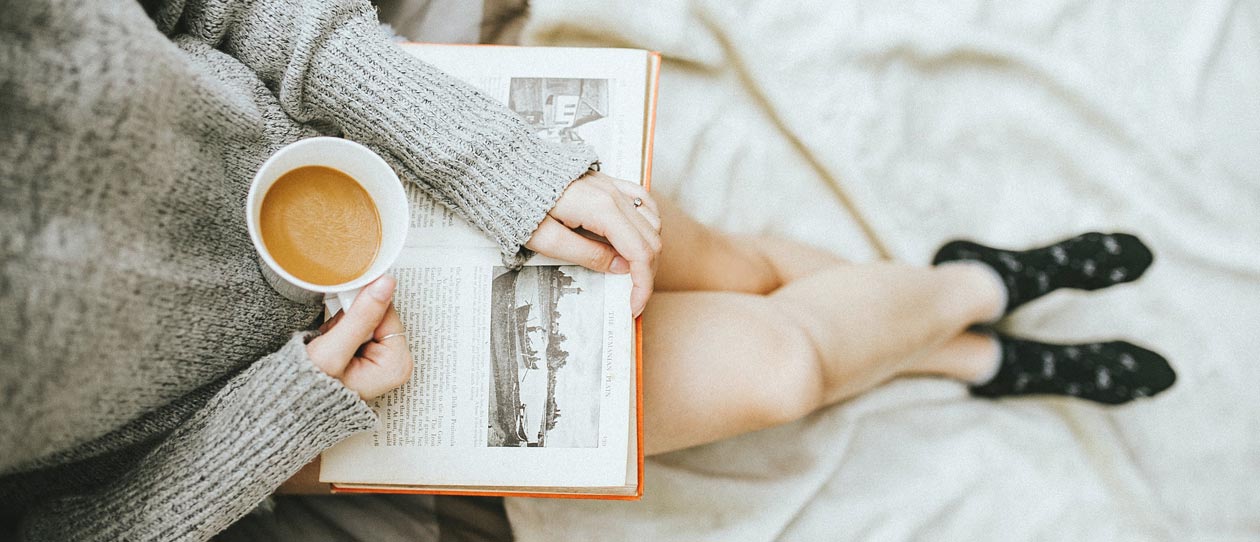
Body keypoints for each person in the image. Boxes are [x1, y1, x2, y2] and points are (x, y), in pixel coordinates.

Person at [0, 0, 657, 539]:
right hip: (259, 412)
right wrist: (278, 421)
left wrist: (490, 158)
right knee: (753, 362)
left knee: (645, 240)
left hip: (351, 133)